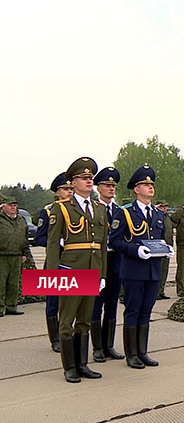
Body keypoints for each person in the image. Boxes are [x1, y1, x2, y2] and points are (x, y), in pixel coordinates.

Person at [46, 157, 107, 383]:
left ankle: (82, 364)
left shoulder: (99, 209)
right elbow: (53, 245)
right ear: (73, 183)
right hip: (71, 269)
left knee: (85, 319)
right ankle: (69, 367)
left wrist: (102, 274)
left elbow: (102, 245)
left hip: (93, 269)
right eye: (83, 178)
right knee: (67, 320)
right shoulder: (61, 208)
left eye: (90, 177)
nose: (89, 181)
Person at [109, 164, 173, 370]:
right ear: (136, 189)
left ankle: (142, 351)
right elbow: (115, 241)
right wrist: (135, 250)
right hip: (134, 269)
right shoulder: (125, 212)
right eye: (145, 184)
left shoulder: (157, 213)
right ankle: (132, 354)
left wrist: (166, 249)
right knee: (133, 309)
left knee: (147, 310)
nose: (150, 187)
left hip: (154, 269)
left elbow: (159, 239)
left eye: (151, 184)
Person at [34, 172, 74, 353]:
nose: (69, 192)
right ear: (58, 192)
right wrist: (57, 241)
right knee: (53, 302)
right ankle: (55, 338)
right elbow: (39, 238)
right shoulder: (48, 211)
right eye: (66, 189)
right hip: (55, 262)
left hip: (74, 262)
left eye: (71, 189)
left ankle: (68, 333)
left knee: (73, 301)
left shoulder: (78, 210)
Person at [90, 166, 125, 363]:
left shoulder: (119, 211)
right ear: (99, 187)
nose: (111, 188)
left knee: (112, 302)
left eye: (113, 185)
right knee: (96, 304)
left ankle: (108, 344)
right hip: (97, 261)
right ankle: (97, 348)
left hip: (115, 261)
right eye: (106, 185)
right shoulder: (92, 208)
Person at [0, 195, 32, 318]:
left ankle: (11, 306)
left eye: (15, 205)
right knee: (1, 283)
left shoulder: (21, 220)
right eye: (10, 205)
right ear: (3, 207)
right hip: (2, 255)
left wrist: (25, 253)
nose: (13, 207)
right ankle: (0, 307)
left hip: (17, 255)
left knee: (14, 284)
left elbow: (24, 239)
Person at [155, 201, 173, 300]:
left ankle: (161, 291)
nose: (165, 209)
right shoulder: (155, 216)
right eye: (162, 207)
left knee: (164, 271)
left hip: (166, 247)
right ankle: (156, 292)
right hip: (158, 247)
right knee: (158, 270)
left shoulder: (168, 218)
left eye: (165, 207)